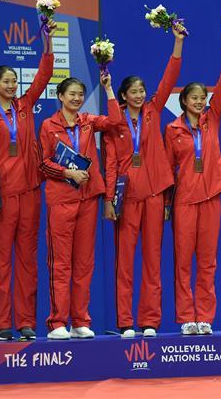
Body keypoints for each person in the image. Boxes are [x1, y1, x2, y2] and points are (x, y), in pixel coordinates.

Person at [103, 24, 185, 338]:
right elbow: (109, 162)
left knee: (153, 260)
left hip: (153, 195)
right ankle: (125, 321)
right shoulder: (114, 122)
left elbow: (170, 77)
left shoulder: (152, 111)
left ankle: (150, 320)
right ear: (123, 95)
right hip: (127, 198)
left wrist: (177, 43)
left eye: (141, 91)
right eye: (133, 92)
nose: (138, 95)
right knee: (125, 262)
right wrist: (110, 198)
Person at [0, 19, 56, 342]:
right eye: (5, 81)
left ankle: (25, 321)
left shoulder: (26, 106)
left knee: (27, 260)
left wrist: (47, 42)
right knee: (2, 263)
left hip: (30, 192)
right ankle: (2, 324)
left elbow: (45, 75)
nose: (11, 85)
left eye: (13, 80)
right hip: (3, 196)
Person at [39, 75, 125, 340]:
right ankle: (57, 323)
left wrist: (109, 88)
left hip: (88, 199)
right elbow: (42, 163)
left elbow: (115, 121)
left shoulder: (88, 122)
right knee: (61, 263)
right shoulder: (48, 125)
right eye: (71, 94)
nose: (76, 99)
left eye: (80, 94)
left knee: (84, 263)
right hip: (61, 199)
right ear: (60, 96)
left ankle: (80, 321)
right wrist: (68, 172)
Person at [165, 42, 221, 336]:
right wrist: (168, 206)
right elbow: (168, 170)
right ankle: (185, 318)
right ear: (183, 101)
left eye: (201, 98)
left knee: (208, 262)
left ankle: (205, 316)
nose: (198, 101)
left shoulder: (213, 119)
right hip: (184, 201)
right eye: (193, 98)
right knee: (183, 262)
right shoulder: (172, 130)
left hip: (210, 200)